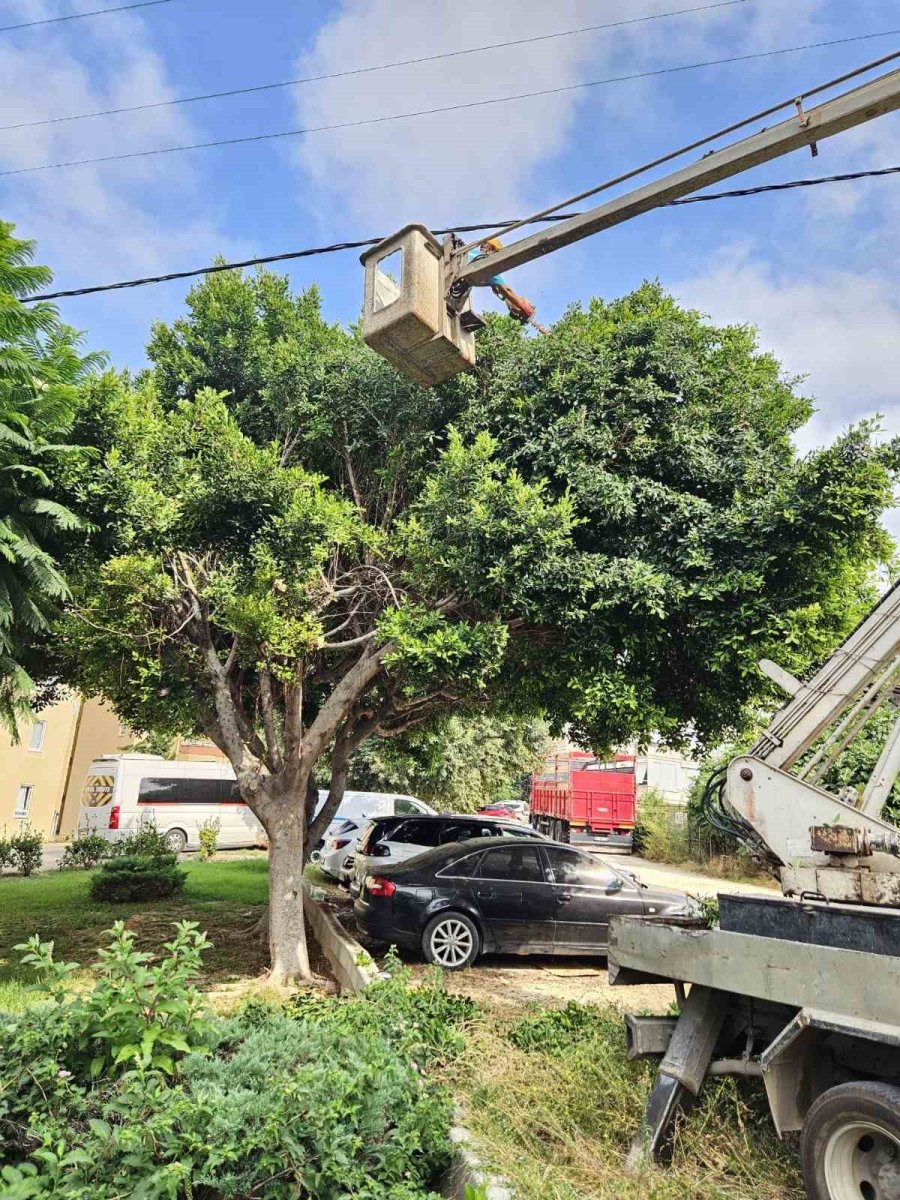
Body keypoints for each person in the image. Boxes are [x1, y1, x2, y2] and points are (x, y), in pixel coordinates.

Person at [467, 237, 539, 325]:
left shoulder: (471, 253)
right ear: (490, 248)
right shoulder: (486, 263)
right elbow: (506, 290)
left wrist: (514, 303)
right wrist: (524, 307)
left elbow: (502, 292)